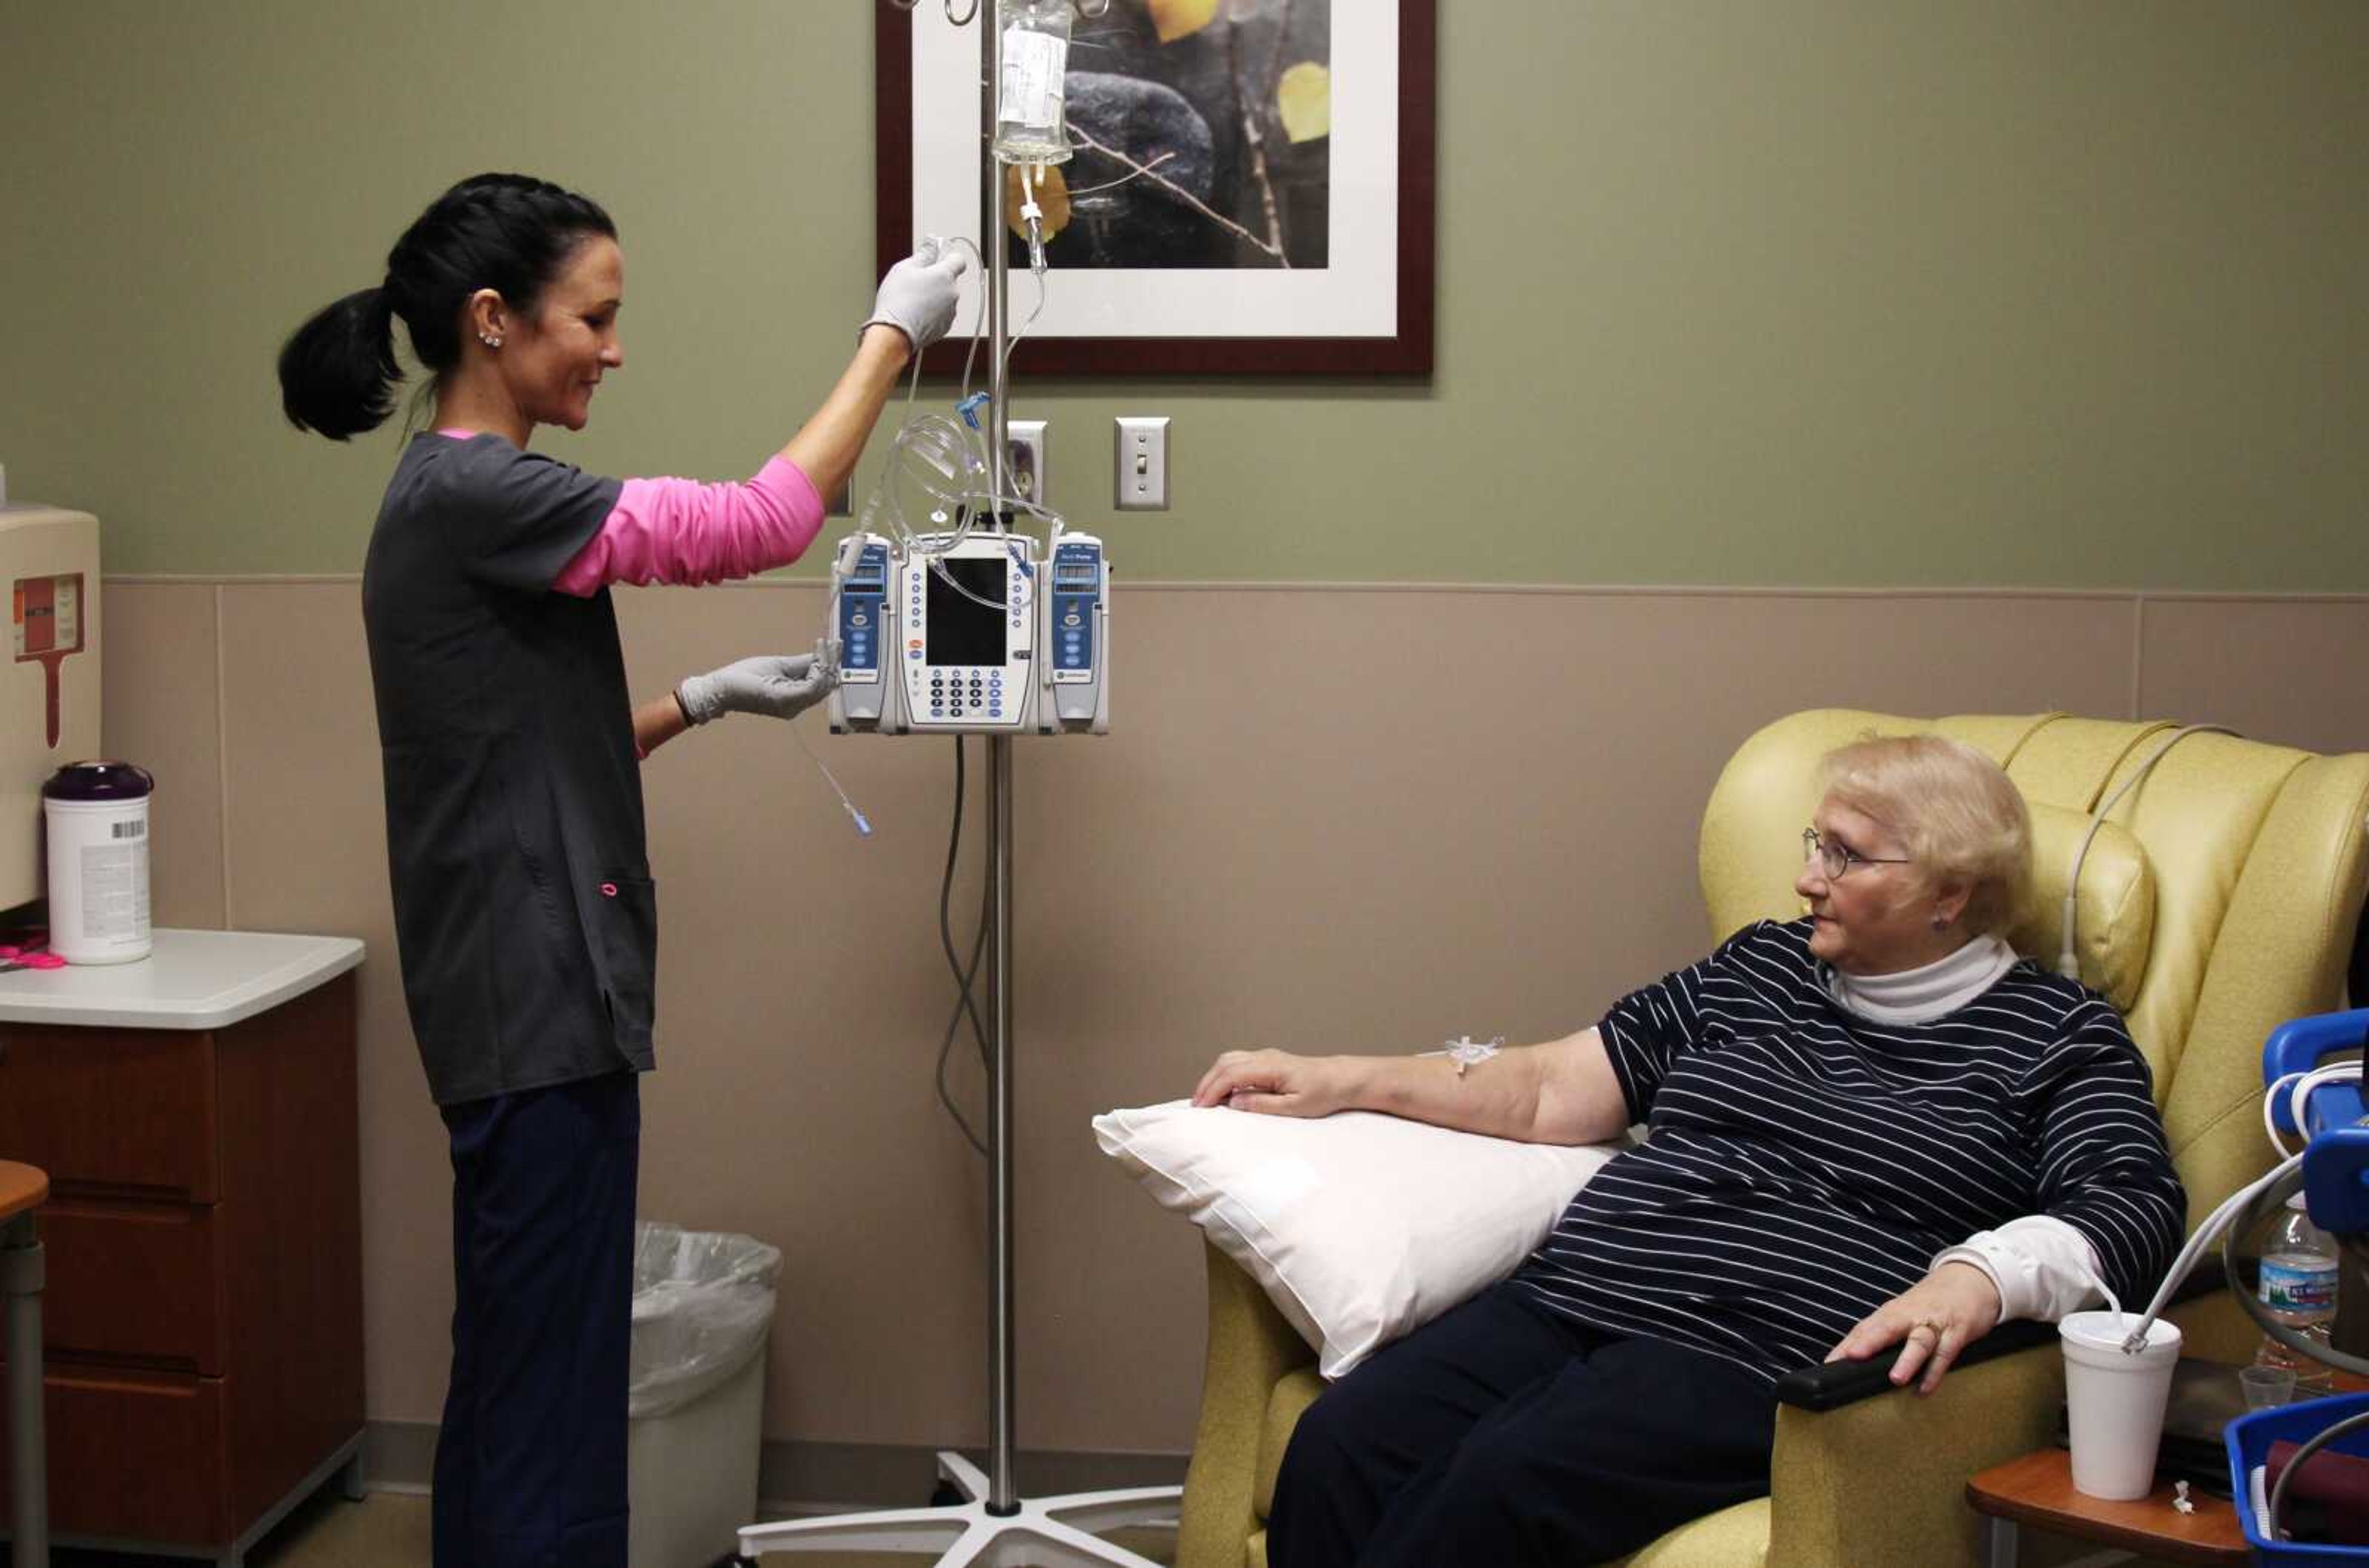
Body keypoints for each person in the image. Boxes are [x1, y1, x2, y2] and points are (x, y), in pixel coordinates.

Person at [275, 171, 970, 1568]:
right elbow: (759, 523)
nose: (613, 346)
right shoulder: (479, 488)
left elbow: (519, 750)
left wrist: (698, 702)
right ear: (492, 319)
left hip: (522, 996)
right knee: (550, 1398)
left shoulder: (451, 499)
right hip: (533, 1005)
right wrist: (891, 339)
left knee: (519, 1368)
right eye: (595, 316)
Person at [1192, 734, 2187, 1567]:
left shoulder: (2056, 1034)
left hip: (1755, 1352)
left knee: (1500, 1485)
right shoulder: (1761, 965)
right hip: (1577, 1296)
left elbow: (2134, 1207)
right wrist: (1345, 1078)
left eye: (1845, 856)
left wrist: (1979, 1275)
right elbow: (1550, 1086)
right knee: (1341, 1443)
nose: (1807, 877)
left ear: (1951, 895)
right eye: (1815, 844)